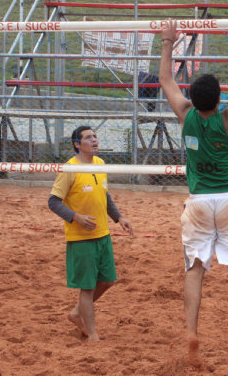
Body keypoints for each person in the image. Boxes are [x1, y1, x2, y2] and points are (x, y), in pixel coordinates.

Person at [159, 19, 228, 369]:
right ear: (220, 98)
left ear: (192, 97)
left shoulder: (184, 114)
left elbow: (165, 79)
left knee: (194, 268)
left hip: (199, 202)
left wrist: (167, 42)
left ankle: (192, 332)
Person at [48, 126, 134, 341]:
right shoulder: (69, 169)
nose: (94, 140)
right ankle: (92, 334)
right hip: (81, 238)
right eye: (88, 138)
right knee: (86, 288)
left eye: (95, 136)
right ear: (77, 144)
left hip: (103, 234)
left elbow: (105, 196)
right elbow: (53, 202)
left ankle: (77, 312)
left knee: (107, 281)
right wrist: (77, 217)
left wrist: (119, 218)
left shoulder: (100, 164)